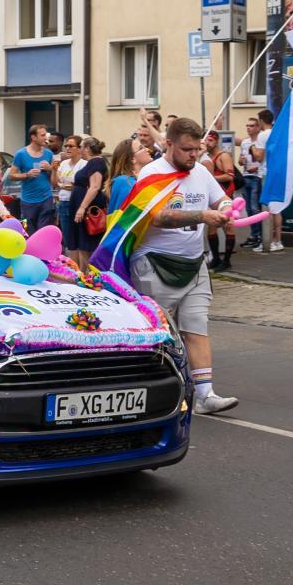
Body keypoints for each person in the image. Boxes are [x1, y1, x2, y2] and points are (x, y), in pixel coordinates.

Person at [127, 117, 238, 415]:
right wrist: (202, 216)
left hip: (194, 263)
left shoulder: (201, 171)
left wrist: (227, 208)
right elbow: (157, 217)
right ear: (169, 144)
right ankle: (147, 393)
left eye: (197, 149)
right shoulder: (151, 174)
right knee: (156, 332)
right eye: (187, 149)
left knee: (196, 326)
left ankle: (205, 394)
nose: (193, 155)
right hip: (154, 263)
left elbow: (221, 199)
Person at [243, 110, 279, 253]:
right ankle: (277, 241)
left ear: (261, 121)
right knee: (276, 209)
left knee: (263, 208)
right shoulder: (277, 132)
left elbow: (258, 157)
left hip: (264, 173)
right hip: (277, 171)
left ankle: (265, 241)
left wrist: (252, 147)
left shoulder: (263, 135)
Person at [9, 125, 57, 232]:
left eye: (46, 135)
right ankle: (30, 249)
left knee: (43, 232)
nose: (46, 138)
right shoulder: (21, 154)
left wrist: (51, 169)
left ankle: (43, 249)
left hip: (46, 199)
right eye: (42, 135)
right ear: (33, 137)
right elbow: (11, 175)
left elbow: (54, 182)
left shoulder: (49, 154)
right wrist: (27, 175)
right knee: (27, 230)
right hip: (28, 201)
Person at [68, 137, 107, 266]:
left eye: (82, 147)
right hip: (81, 205)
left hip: (87, 208)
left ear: (87, 148)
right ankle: (83, 273)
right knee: (82, 243)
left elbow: (95, 186)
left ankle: (88, 276)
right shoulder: (93, 163)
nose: (80, 150)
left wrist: (82, 207)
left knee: (87, 244)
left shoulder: (96, 163)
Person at [205, 131, 239, 271]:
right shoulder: (207, 157)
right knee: (211, 228)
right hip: (213, 199)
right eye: (206, 140)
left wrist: (211, 179)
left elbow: (230, 176)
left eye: (210, 140)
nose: (207, 143)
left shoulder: (223, 156)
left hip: (225, 197)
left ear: (217, 141)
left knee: (228, 227)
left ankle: (227, 260)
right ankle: (216, 258)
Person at [54, 135, 83, 257]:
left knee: (79, 236)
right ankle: (72, 267)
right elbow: (57, 182)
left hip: (78, 202)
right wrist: (54, 170)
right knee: (68, 236)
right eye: (66, 146)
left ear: (79, 148)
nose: (67, 149)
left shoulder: (84, 164)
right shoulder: (64, 163)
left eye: (71, 146)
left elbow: (81, 184)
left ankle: (80, 267)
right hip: (64, 201)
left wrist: (67, 185)